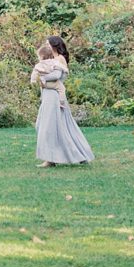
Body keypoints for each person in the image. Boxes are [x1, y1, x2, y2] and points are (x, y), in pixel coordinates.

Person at [32, 34, 95, 167]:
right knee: (46, 125)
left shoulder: (59, 59)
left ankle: (53, 159)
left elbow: (57, 76)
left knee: (52, 127)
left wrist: (42, 78)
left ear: (54, 45)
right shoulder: (49, 59)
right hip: (48, 94)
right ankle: (56, 157)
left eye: (48, 44)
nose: (46, 46)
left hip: (55, 95)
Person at [30, 43, 69, 108]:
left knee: (41, 87)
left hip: (43, 83)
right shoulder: (54, 62)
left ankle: (41, 97)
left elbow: (34, 73)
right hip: (52, 83)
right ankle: (61, 102)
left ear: (41, 56)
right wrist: (66, 70)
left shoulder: (39, 65)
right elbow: (61, 67)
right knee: (61, 88)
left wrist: (33, 81)